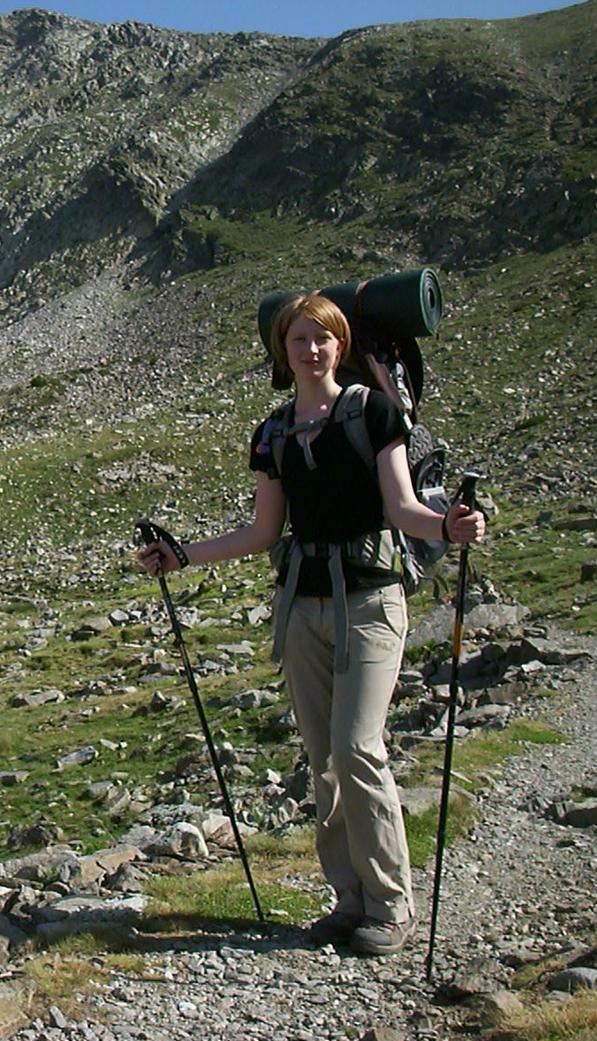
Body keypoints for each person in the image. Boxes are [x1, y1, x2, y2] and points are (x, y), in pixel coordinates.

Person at [135, 294, 485, 956]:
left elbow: (402, 506)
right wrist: (181, 556)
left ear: (339, 343)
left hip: (371, 602)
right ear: (282, 350)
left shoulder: (374, 412)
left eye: (323, 337)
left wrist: (448, 527)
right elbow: (265, 530)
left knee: (358, 748)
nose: (312, 349)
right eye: (299, 338)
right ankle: (347, 898)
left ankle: (389, 902)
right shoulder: (273, 433)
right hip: (303, 606)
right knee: (323, 760)